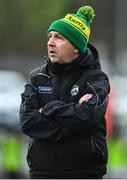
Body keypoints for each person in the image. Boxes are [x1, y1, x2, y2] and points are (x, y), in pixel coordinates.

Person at [19, 5, 110, 179]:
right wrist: (71, 121)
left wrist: (48, 110)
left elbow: (88, 115)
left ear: (76, 46)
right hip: (41, 172)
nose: (50, 42)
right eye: (50, 36)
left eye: (59, 37)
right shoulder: (37, 77)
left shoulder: (96, 79)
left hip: (84, 173)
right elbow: (27, 122)